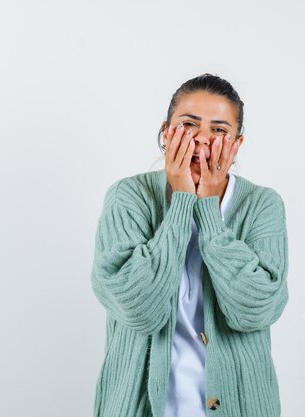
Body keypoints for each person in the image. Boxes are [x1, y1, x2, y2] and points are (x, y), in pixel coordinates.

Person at [90, 73, 289, 417]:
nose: (202, 140)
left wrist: (209, 213)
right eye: (189, 124)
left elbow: (255, 309)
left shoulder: (262, 205)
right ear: (167, 133)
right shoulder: (128, 198)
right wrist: (182, 200)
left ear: (237, 145)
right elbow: (138, 309)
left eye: (219, 130)